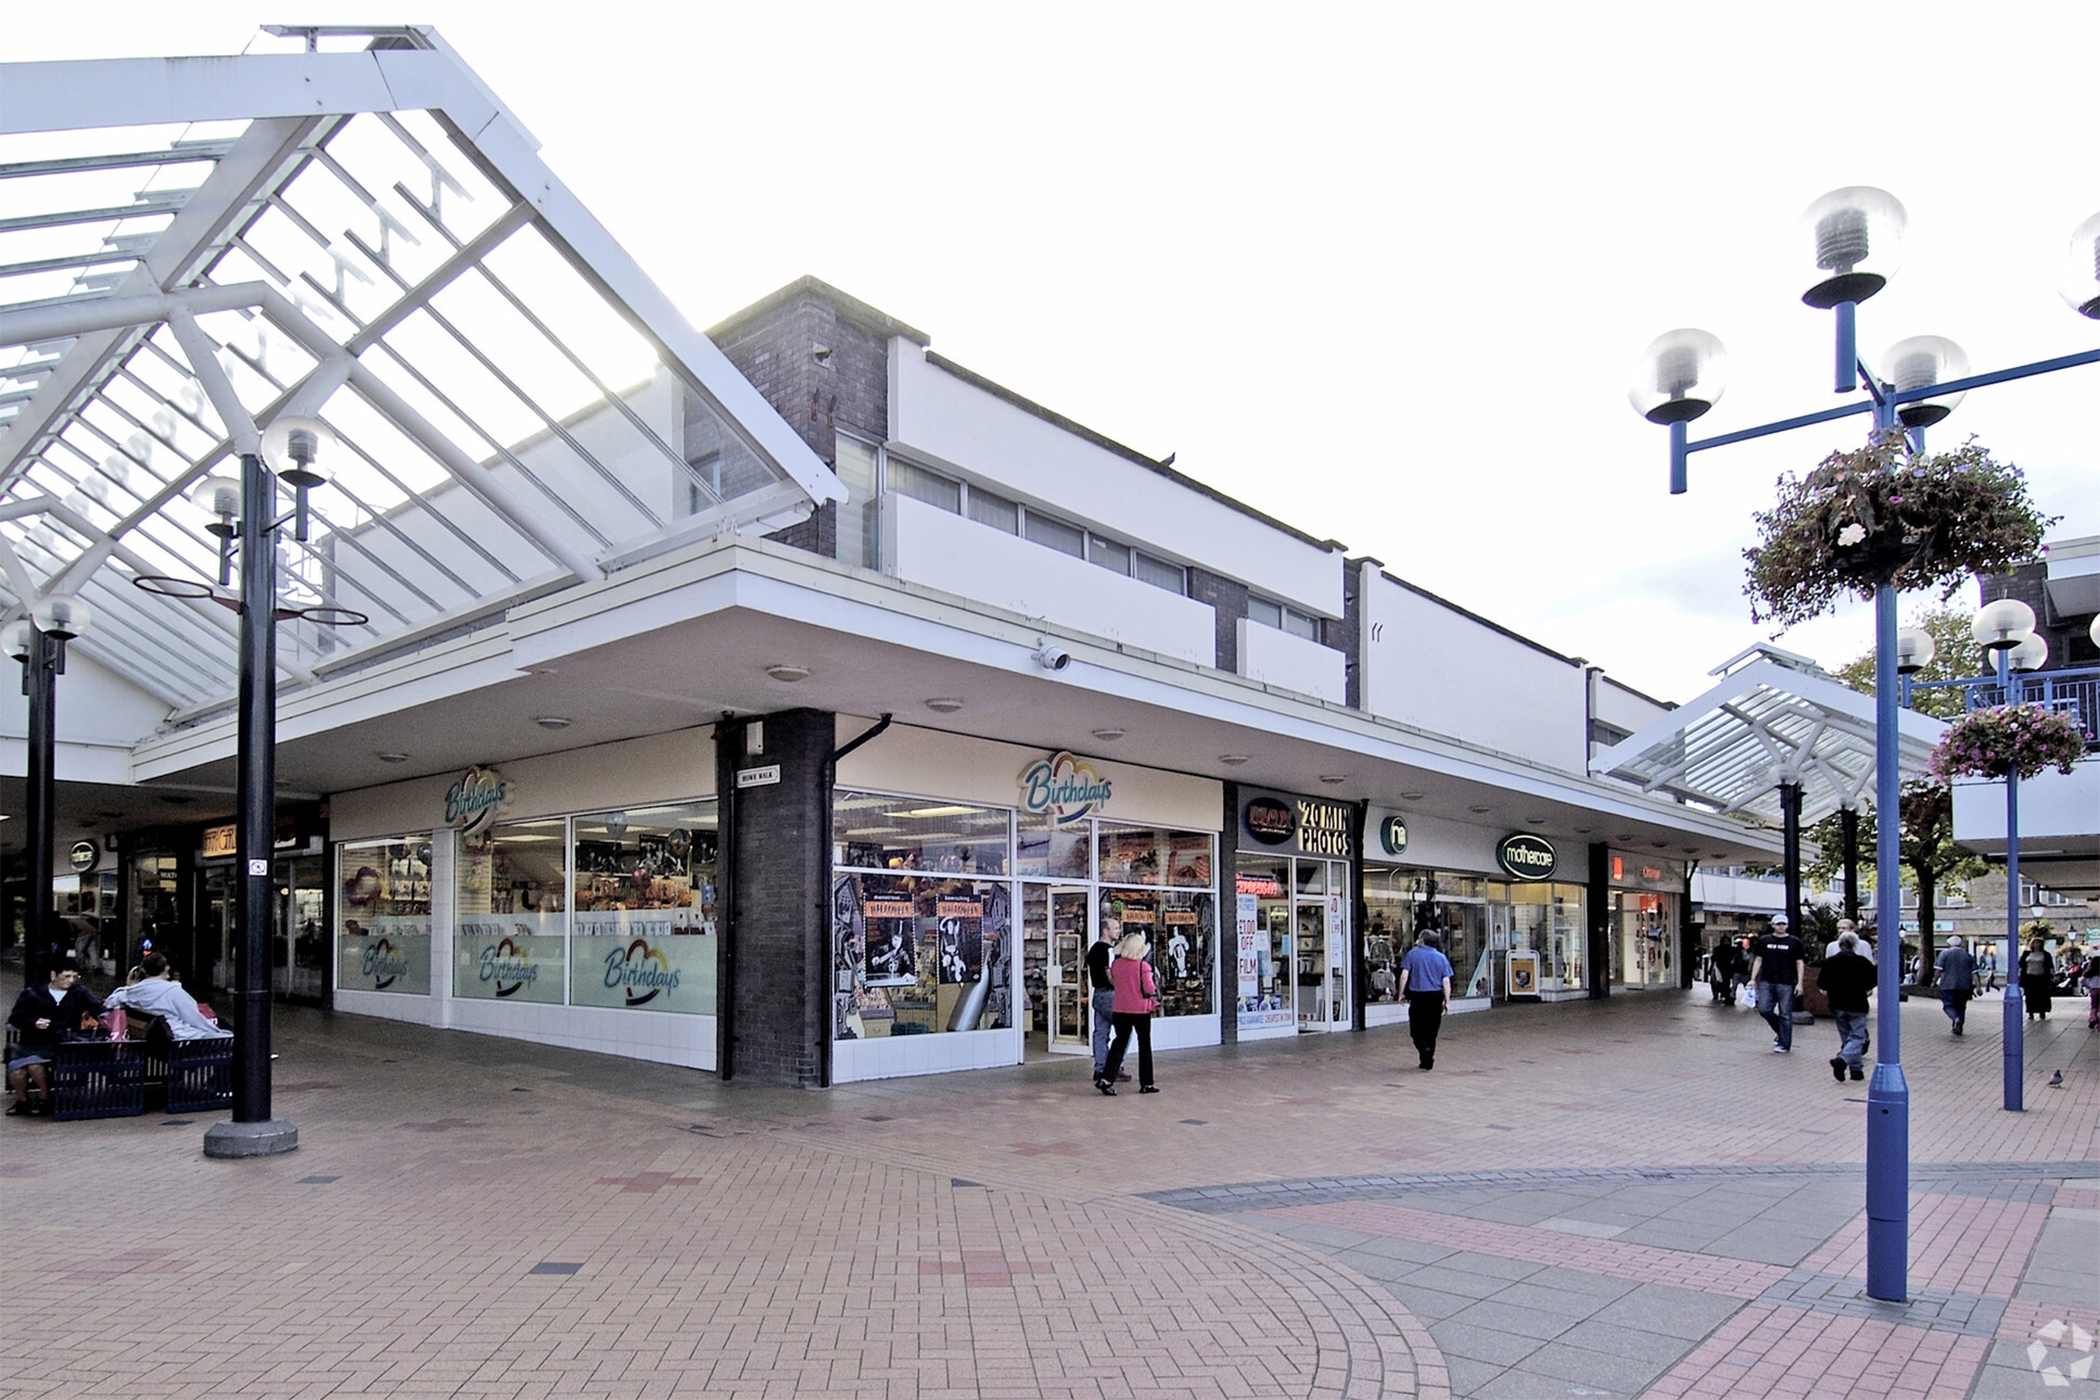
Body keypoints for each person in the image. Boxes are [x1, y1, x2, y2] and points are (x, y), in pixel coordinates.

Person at [7, 958, 105, 1116]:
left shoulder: (79, 993)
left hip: (61, 1042)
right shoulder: (32, 993)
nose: (71, 980)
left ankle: (44, 1098)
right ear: (53, 975)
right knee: (16, 1071)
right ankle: (22, 1101)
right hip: (32, 1040)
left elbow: (98, 1009)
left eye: (74, 976)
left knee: (35, 1066)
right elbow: (15, 1017)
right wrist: (34, 1022)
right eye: (66, 976)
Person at [100, 953, 229, 1040]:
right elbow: (195, 1018)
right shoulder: (174, 992)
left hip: (154, 1040)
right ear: (166, 968)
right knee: (228, 1037)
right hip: (177, 1039)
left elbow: (110, 1002)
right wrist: (218, 1032)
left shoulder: (129, 992)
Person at [1096, 932, 1159, 1096]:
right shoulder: (1142, 966)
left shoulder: (1116, 965)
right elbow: (1150, 988)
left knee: (1119, 1043)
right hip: (1140, 1009)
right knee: (1144, 1044)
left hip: (1120, 1009)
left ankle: (1106, 1078)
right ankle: (1147, 1082)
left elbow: (1115, 983)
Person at [1819, 931, 1875, 1083]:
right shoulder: (1862, 962)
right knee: (1858, 1037)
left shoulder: (1830, 962)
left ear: (1839, 945)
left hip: (1837, 1004)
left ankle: (1856, 1070)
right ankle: (1843, 1060)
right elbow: (1873, 980)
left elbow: (1821, 983)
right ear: (1855, 945)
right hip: (1858, 1003)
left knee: (1846, 1037)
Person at [1397, 930, 1455, 1070]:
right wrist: (1447, 1001)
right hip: (1435, 997)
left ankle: (1424, 1051)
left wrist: (1401, 993)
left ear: (1422, 940)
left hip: (1418, 996)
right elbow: (1446, 981)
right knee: (1431, 1030)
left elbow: (1404, 975)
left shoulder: (1412, 954)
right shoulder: (1441, 958)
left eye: (1418, 938)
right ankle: (1427, 1058)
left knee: (1416, 1030)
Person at [1749, 914, 1806, 1054]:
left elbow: (1800, 962)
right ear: (1773, 925)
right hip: (1767, 980)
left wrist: (1799, 983)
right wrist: (1753, 978)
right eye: (1778, 924)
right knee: (1764, 1009)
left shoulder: (1794, 942)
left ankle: (1785, 1043)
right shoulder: (1764, 941)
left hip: (1786, 981)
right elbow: (1758, 960)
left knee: (1785, 1013)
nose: (1781, 927)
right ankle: (1781, 1031)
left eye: (1783, 924)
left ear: (1787, 925)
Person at [1085, 919, 1124, 1084]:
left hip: (1098, 994)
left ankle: (1100, 1068)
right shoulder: (1109, 951)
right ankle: (1115, 1067)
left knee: (1100, 1032)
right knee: (1124, 1031)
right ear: (1105, 930)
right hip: (1109, 994)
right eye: (1115, 928)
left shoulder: (1093, 949)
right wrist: (1121, 988)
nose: (1119, 931)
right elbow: (1109, 974)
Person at [1933, 934, 1976, 1036]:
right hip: (1964, 985)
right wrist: (1978, 987)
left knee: (1948, 1005)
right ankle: (1958, 1026)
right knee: (1961, 1006)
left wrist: (1934, 981)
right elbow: (1975, 972)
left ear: (1948, 944)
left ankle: (1956, 1019)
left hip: (1947, 985)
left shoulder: (1944, 954)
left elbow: (1938, 970)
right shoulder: (1968, 955)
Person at [2020, 936, 2055, 1021]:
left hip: (2041, 978)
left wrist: (2052, 975)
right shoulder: (2027, 954)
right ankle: (2030, 1013)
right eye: (2035, 943)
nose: (2037, 945)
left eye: (2039, 943)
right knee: (2030, 996)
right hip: (2029, 977)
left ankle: (2042, 1012)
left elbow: (2050, 966)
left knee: (2041, 995)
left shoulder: (2045, 954)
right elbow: (2021, 964)